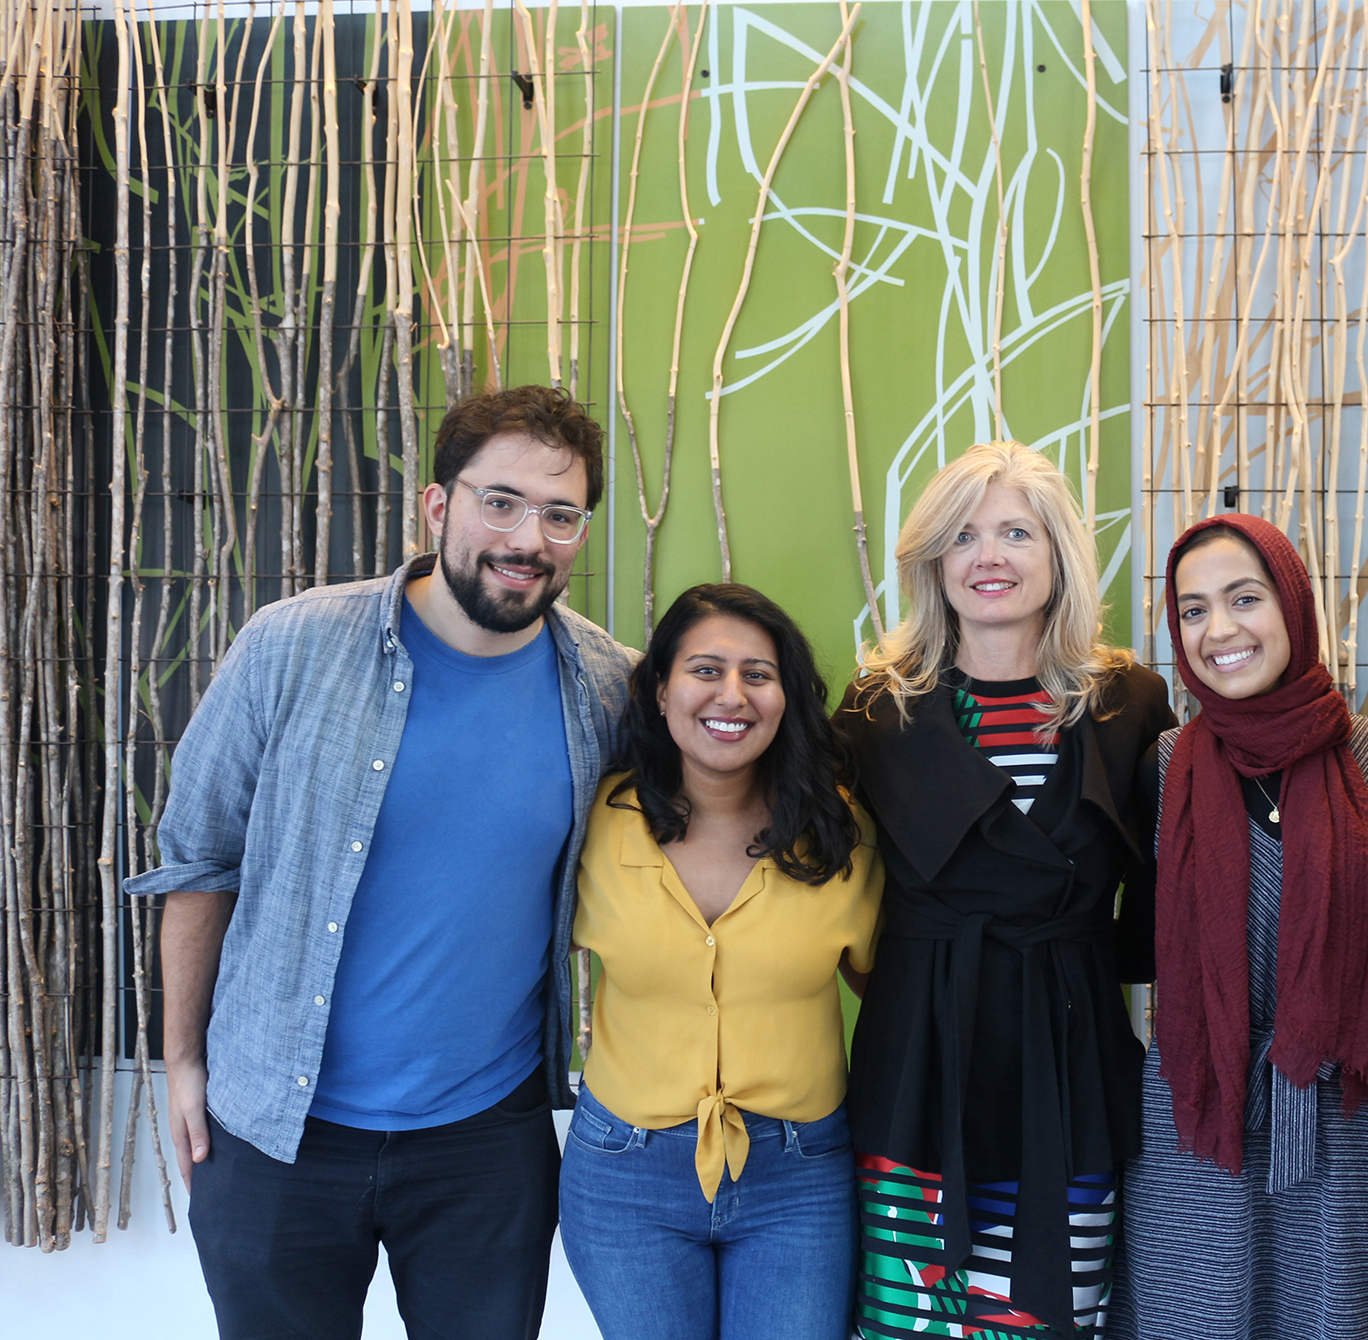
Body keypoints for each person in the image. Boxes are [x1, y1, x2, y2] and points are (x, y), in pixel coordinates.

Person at [127, 385, 638, 1339]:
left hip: (485, 1142)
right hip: (277, 1130)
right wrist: (183, 1059)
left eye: (559, 514)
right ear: (439, 507)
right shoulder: (291, 645)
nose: (528, 536)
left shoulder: (608, 686)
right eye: (501, 501)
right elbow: (198, 859)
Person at [835, 441, 1175, 1339]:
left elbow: (1161, 891)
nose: (989, 557)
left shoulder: (1127, 699)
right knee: (917, 1317)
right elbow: (828, 881)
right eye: (964, 537)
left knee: (1057, 1312)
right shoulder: (877, 708)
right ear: (933, 563)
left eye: (1015, 533)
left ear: (1058, 553)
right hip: (921, 1061)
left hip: (1069, 1057)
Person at [1109, 513, 1368, 1339]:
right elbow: (1133, 944)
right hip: (1196, 1120)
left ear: (1293, 603)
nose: (1221, 630)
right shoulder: (1164, 767)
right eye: (1194, 610)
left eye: (1244, 598)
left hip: (1348, 1120)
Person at [560, 583, 883, 1340]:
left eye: (758, 675)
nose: (731, 695)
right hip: (624, 1172)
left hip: (799, 1175)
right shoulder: (597, 825)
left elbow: (885, 986)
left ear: (786, 696)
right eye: (705, 669)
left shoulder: (843, 835)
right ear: (660, 689)